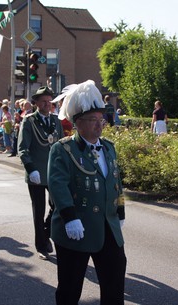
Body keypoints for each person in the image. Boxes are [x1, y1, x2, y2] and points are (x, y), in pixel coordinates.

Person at [48, 80, 126, 305]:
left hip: (107, 227)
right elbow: (57, 184)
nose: (99, 124)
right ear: (77, 123)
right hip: (76, 230)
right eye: (92, 120)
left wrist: (119, 211)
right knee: (70, 290)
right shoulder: (63, 149)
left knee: (114, 285)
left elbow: (115, 182)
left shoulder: (109, 147)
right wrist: (70, 218)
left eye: (101, 119)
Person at [18, 86, 64, 260]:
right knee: (38, 210)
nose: (47, 104)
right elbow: (22, 148)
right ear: (36, 103)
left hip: (54, 173)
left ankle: (46, 233)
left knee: (58, 206)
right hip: (36, 173)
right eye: (43, 101)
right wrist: (31, 169)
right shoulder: (29, 121)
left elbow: (59, 146)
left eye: (49, 101)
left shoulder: (56, 121)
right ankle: (41, 246)